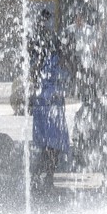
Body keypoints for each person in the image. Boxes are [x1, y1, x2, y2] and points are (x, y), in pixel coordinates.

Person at [31, 50, 70, 190]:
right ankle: (44, 176)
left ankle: (40, 176)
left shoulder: (44, 57)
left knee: (49, 145)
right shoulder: (54, 59)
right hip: (50, 102)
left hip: (46, 102)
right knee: (53, 144)